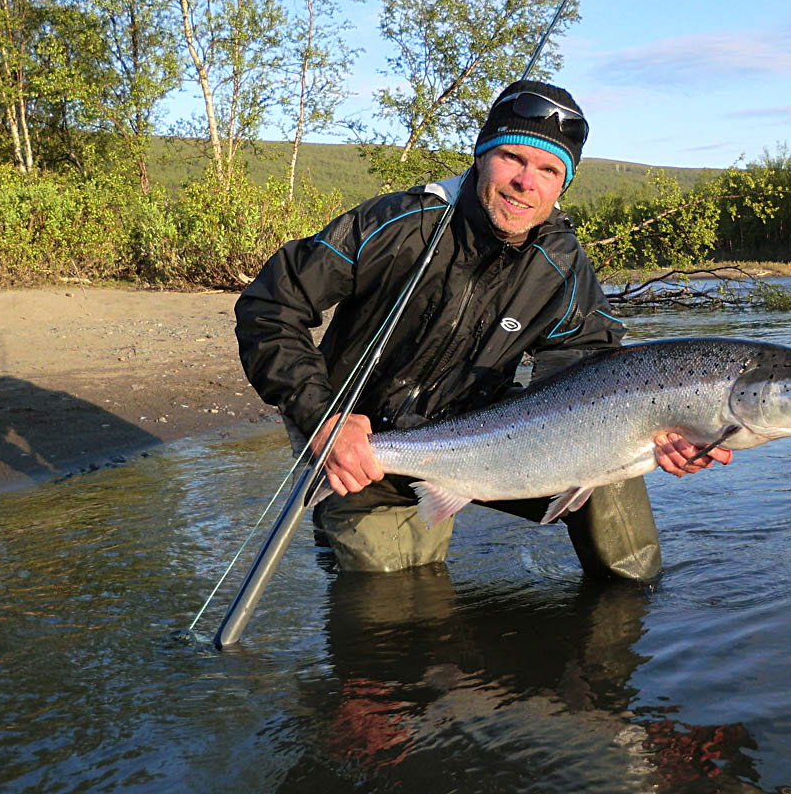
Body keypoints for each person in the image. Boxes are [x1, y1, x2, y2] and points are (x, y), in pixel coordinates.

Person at [235, 80, 730, 578]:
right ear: (480, 156)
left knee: (612, 465)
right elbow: (270, 306)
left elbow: (596, 369)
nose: (526, 182)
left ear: (563, 184)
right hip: (362, 444)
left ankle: (629, 609)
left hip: (492, 433)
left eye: (549, 170)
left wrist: (666, 435)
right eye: (513, 158)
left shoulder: (562, 265)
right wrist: (323, 418)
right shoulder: (398, 225)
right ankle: (341, 522)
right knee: (399, 596)